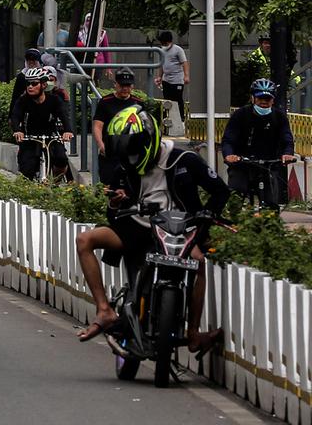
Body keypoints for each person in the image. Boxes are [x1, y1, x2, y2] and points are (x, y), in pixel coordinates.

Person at [74, 106, 230, 355]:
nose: (131, 160)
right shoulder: (124, 167)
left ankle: (192, 333)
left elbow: (221, 191)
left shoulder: (184, 160)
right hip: (138, 230)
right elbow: (113, 214)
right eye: (126, 155)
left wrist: (207, 215)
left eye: (134, 153)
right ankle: (104, 310)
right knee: (84, 240)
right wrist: (117, 202)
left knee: (199, 262)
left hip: (181, 234)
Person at [222, 78, 297, 208]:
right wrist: (229, 155)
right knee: (235, 199)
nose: (263, 102)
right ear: (253, 98)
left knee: (271, 204)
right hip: (242, 164)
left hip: (267, 165)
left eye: (267, 99)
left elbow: (287, 139)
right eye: (260, 98)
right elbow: (228, 139)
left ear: (273, 100)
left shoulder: (279, 118)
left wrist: (287, 154)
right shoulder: (240, 115)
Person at [11, 68, 73, 181]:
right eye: (28, 83)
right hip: (30, 137)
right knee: (27, 168)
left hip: (51, 137)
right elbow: (15, 116)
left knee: (61, 159)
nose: (30, 87)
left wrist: (68, 131)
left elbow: (64, 116)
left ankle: (55, 183)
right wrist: (17, 130)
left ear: (43, 85)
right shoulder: (23, 100)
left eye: (34, 83)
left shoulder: (54, 100)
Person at [90, 68, 144, 188]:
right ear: (115, 85)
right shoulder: (105, 102)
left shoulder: (138, 103)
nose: (125, 88)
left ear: (132, 86)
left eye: (128, 85)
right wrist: (101, 145)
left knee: (132, 186)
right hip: (110, 151)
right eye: (122, 85)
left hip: (132, 152)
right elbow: (97, 126)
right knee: (108, 186)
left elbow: (145, 127)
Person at [153, 31, 189, 123]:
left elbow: (184, 63)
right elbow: (162, 65)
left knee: (177, 99)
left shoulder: (178, 50)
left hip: (177, 80)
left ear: (169, 41)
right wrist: (159, 77)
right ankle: (168, 119)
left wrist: (186, 76)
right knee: (167, 100)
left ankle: (181, 119)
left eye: (165, 43)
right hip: (166, 79)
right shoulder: (162, 50)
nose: (164, 45)